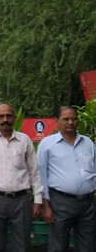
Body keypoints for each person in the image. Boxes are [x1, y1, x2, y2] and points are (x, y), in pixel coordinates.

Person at [0, 103, 43, 252]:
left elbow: (34, 172)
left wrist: (38, 199)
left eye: (9, 116)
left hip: (21, 200)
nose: (5, 119)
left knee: (23, 244)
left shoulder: (25, 140)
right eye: (1, 116)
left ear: (14, 118)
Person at [37, 106, 96, 252]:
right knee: (58, 245)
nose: (71, 122)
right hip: (60, 203)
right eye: (66, 119)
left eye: (74, 118)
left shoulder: (88, 143)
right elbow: (40, 176)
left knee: (88, 246)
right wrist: (45, 205)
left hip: (88, 203)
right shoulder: (47, 144)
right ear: (57, 121)